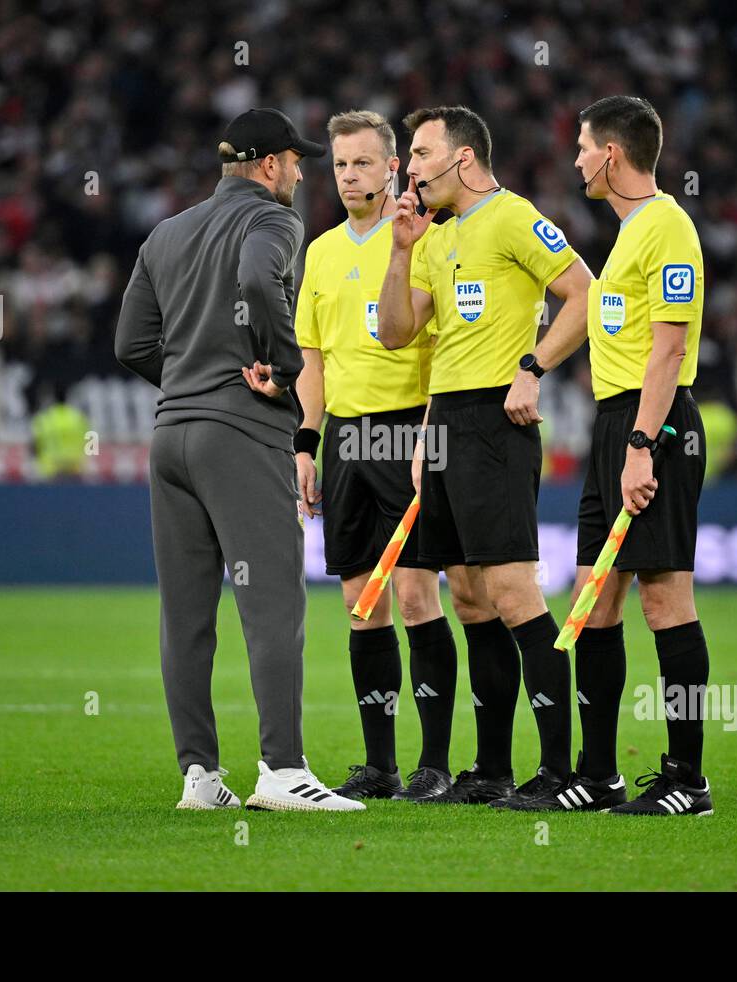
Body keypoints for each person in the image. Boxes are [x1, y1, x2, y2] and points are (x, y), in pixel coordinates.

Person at [115, 108, 362, 813]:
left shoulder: (165, 232)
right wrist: (281, 368)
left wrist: (191, 380)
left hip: (172, 440)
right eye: (296, 160)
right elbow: (258, 280)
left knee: (185, 617)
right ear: (267, 165)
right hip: (241, 436)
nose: (303, 173)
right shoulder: (275, 223)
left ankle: (199, 776)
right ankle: (282, 771)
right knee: (273, 603)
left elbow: (131, 343)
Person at [378, 105, 593, 807]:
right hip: (444, 426)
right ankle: (493, 769)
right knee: (467, 597)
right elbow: (397, 334)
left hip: (497, 424)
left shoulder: (513, 217)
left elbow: (583, 294)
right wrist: (402, 249)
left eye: (419, 153)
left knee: (512, 593)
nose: (409, 168)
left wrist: (533, 367)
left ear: (461, 158)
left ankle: (563, 773)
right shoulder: (435, 238)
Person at [532, 94, 714, 816]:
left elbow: (668, 348)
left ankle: (687, 779)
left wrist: (642, 444)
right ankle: (599, 773)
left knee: (665, 598)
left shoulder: (669, 228)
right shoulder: (631, 233)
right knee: (595, 598)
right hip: (618, 425)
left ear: (611, 153)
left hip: (655, 427)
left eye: (582, 146)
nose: (575, 158)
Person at [293, 110, 458, 802]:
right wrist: (305, 441)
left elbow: (447, 346)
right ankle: (380, 764)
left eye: (363, 162)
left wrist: (428, 428)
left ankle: (436, 763)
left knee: (418, 592)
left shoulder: (424, 238)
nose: (349, 174)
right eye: (339, 164)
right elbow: (312, 358)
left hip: (408, 433)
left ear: (393, 167)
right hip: (347, 441)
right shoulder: (323, 250)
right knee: (362, 603)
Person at [30, 384, 91, 480]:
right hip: (75, 469)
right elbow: (91, 441)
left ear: (53, 398)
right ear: (67, 398)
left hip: (52, 471)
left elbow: (34, 446)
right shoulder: (78, 418)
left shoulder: (44, 418)